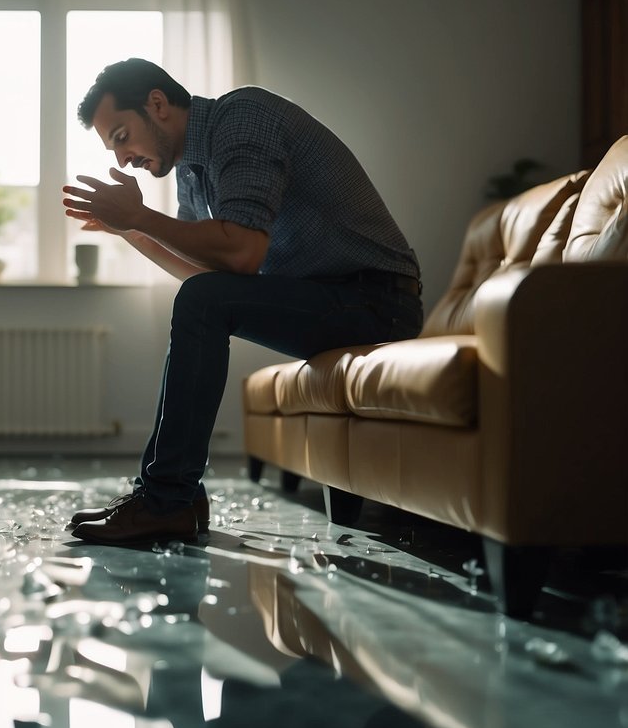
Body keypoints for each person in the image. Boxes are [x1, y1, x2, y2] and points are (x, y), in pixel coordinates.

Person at [63, 59, 422, 545]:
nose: (123, 158)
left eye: (123, 136)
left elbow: (242, 251)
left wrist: (141, 216)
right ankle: (174, 497)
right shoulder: (191, 169)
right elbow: (209, 280)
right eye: (114, 147)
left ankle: (168, 499)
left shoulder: (243, 119)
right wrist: (131, 228)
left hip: (377, 302)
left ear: (157, 104)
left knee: (205, 299)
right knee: (203, 298)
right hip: (328, 297)